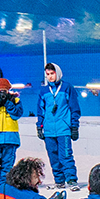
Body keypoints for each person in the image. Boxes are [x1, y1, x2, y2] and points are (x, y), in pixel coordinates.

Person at [36, 62, 81, 190]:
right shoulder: (44, 91)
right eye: (48, 74)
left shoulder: (67, 87)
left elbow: (75, 108)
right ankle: (59, 180)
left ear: (58, 73)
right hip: (49, 130)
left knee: (65, 155)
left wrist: (74, 126)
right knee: (53, 156)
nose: (50, 77)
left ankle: (71, 180)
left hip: (63, 129)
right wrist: (39, 126)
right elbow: (40, 110)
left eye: (52, 73)